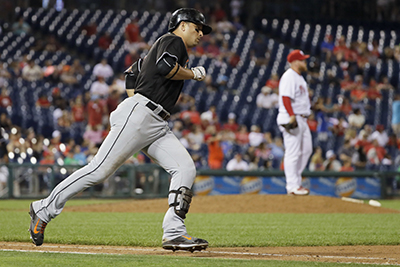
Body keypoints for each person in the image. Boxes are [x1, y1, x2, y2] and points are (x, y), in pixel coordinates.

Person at [29, 8, 212, 252]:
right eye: (197, 28)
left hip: (154, 121)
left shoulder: (161, 47)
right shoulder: (173, 41)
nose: (201, 33)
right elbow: (165, 67)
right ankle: (44, 208)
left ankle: (174, 231)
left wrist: (136, 102)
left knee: (185, 168)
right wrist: (192, 75)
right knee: (98, 171)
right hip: (141, 115)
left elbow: (131, 75)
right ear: (182, 25)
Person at [276, 50, 312, 196]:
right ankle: (292, 186)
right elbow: (285, 97)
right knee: (293, 152)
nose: (305, 62)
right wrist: (291, 116)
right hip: (292, 117)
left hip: (301, 118)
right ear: (296, 62)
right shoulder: (289, 76)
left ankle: (296, 181)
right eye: (302, 60)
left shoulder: (299, 77)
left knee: (307, 150)